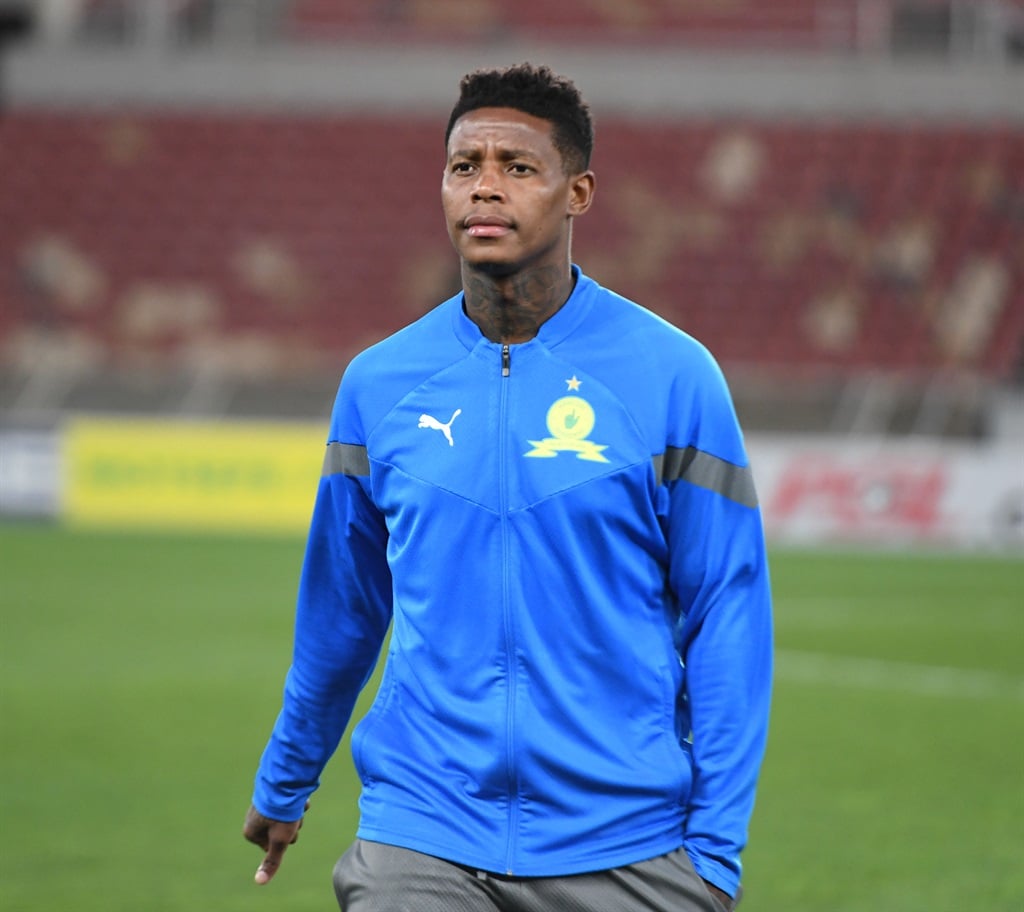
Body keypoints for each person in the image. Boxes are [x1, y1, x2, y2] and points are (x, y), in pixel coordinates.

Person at [243, 62, 773, 912]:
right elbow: (343, 611)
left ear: (579, 193)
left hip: (625, 840)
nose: (485, 188)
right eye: (465, 167)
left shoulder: (675, 377)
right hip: (422, 830)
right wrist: (286, 778)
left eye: (517, 168)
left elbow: (728, 613)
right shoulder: (379, 385)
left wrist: (711, 851)